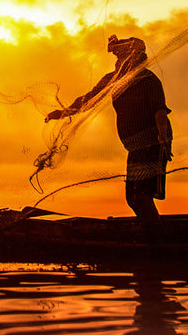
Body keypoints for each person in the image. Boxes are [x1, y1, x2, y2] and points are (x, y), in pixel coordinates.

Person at [47, 35, 172, 218]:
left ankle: (156, 237)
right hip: (135, 146)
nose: (119, 61)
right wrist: (64, 112)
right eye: (118, 58)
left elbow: (159, 111)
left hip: (153, 142)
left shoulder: (148, 79)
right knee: (133, 198)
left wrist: (163, 137)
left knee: (141, 196)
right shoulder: (113, 80)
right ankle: (149, 232)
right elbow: (88, 99)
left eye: (123, 57)